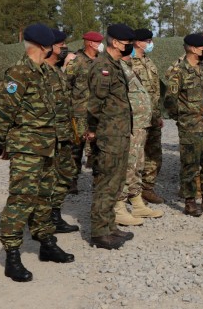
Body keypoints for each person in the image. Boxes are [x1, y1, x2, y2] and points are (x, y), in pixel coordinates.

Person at [0, 23, 75, 282]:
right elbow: (4, 112)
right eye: (52, 43)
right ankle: (12, 254)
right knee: (21, 200)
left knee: (45, 198)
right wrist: (2, 143)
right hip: (27, 149)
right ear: (42, 45)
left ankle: (46, 244)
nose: (56, 47)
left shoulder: (47, 73)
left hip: (48, 147)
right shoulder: (19, 72)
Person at [164, 34, 203, 217]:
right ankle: (190, 202)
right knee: (190, 166)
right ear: (192, 48)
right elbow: (169, 101)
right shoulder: (179, 72)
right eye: (201, 47)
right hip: (190, 127)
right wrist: (182, 118)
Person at [86, 23, 136, 250]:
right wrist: (96, 130)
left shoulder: (115, 65)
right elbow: (95, 103)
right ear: (115, 42)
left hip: (120, 133)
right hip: (109, 134)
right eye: (128, 44)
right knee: (106, 183)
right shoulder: (102, 66)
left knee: (116, 183)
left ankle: (110, 226)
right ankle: (99, 232)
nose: (130, 47)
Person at [114, 52, 164, 226]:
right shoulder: (113, 67)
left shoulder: (128, 67)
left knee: (138, 163)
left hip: (141, 123)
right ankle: (119, 207)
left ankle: (136, 202)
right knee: (127, 164)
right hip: (129, 123)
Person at [45, 29, 79, 233]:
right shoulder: (38, 72)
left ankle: (55, 215)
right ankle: (42, 221)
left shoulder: (58, 71)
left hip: (63, 134)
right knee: (45, 179)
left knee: (65, 174)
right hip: (46, 137)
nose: (65, 48)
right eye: (61, 45)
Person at [65, 30, 104, 194]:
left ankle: (97, 180)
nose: (101, 45)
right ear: (90, 43)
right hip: (79, 112)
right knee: (76, 147)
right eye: (98, 42)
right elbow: (66, 85)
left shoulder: (101, 61)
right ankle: (72, 180)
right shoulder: (77, 62)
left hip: (97, 112)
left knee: (98, 147)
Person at [131, 28, 165, 204]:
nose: (151, 43)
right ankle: (132, 193)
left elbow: (156, 92)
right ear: (137, 42)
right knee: (136, 157)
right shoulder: (128, 62)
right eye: (148, 40)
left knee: (154, 155)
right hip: (136, 119)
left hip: (152, 118)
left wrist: (158, 116)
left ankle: (148, 188)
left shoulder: (149, 62)